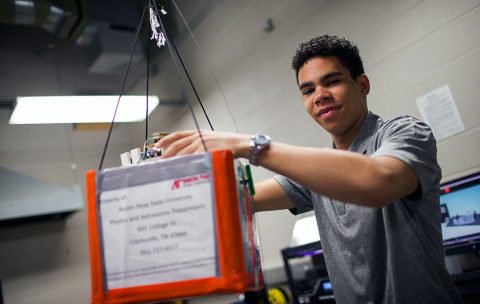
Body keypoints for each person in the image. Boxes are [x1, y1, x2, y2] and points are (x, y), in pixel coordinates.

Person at [156, 35, 462, 303]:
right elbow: (240, 198)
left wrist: (250, 145)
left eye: (332, 81)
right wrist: (161, 189)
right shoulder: (317, 174)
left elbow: (377, 182)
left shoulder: (404, 132)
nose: (319, 95)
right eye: (307, 90)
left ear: (362, 85)